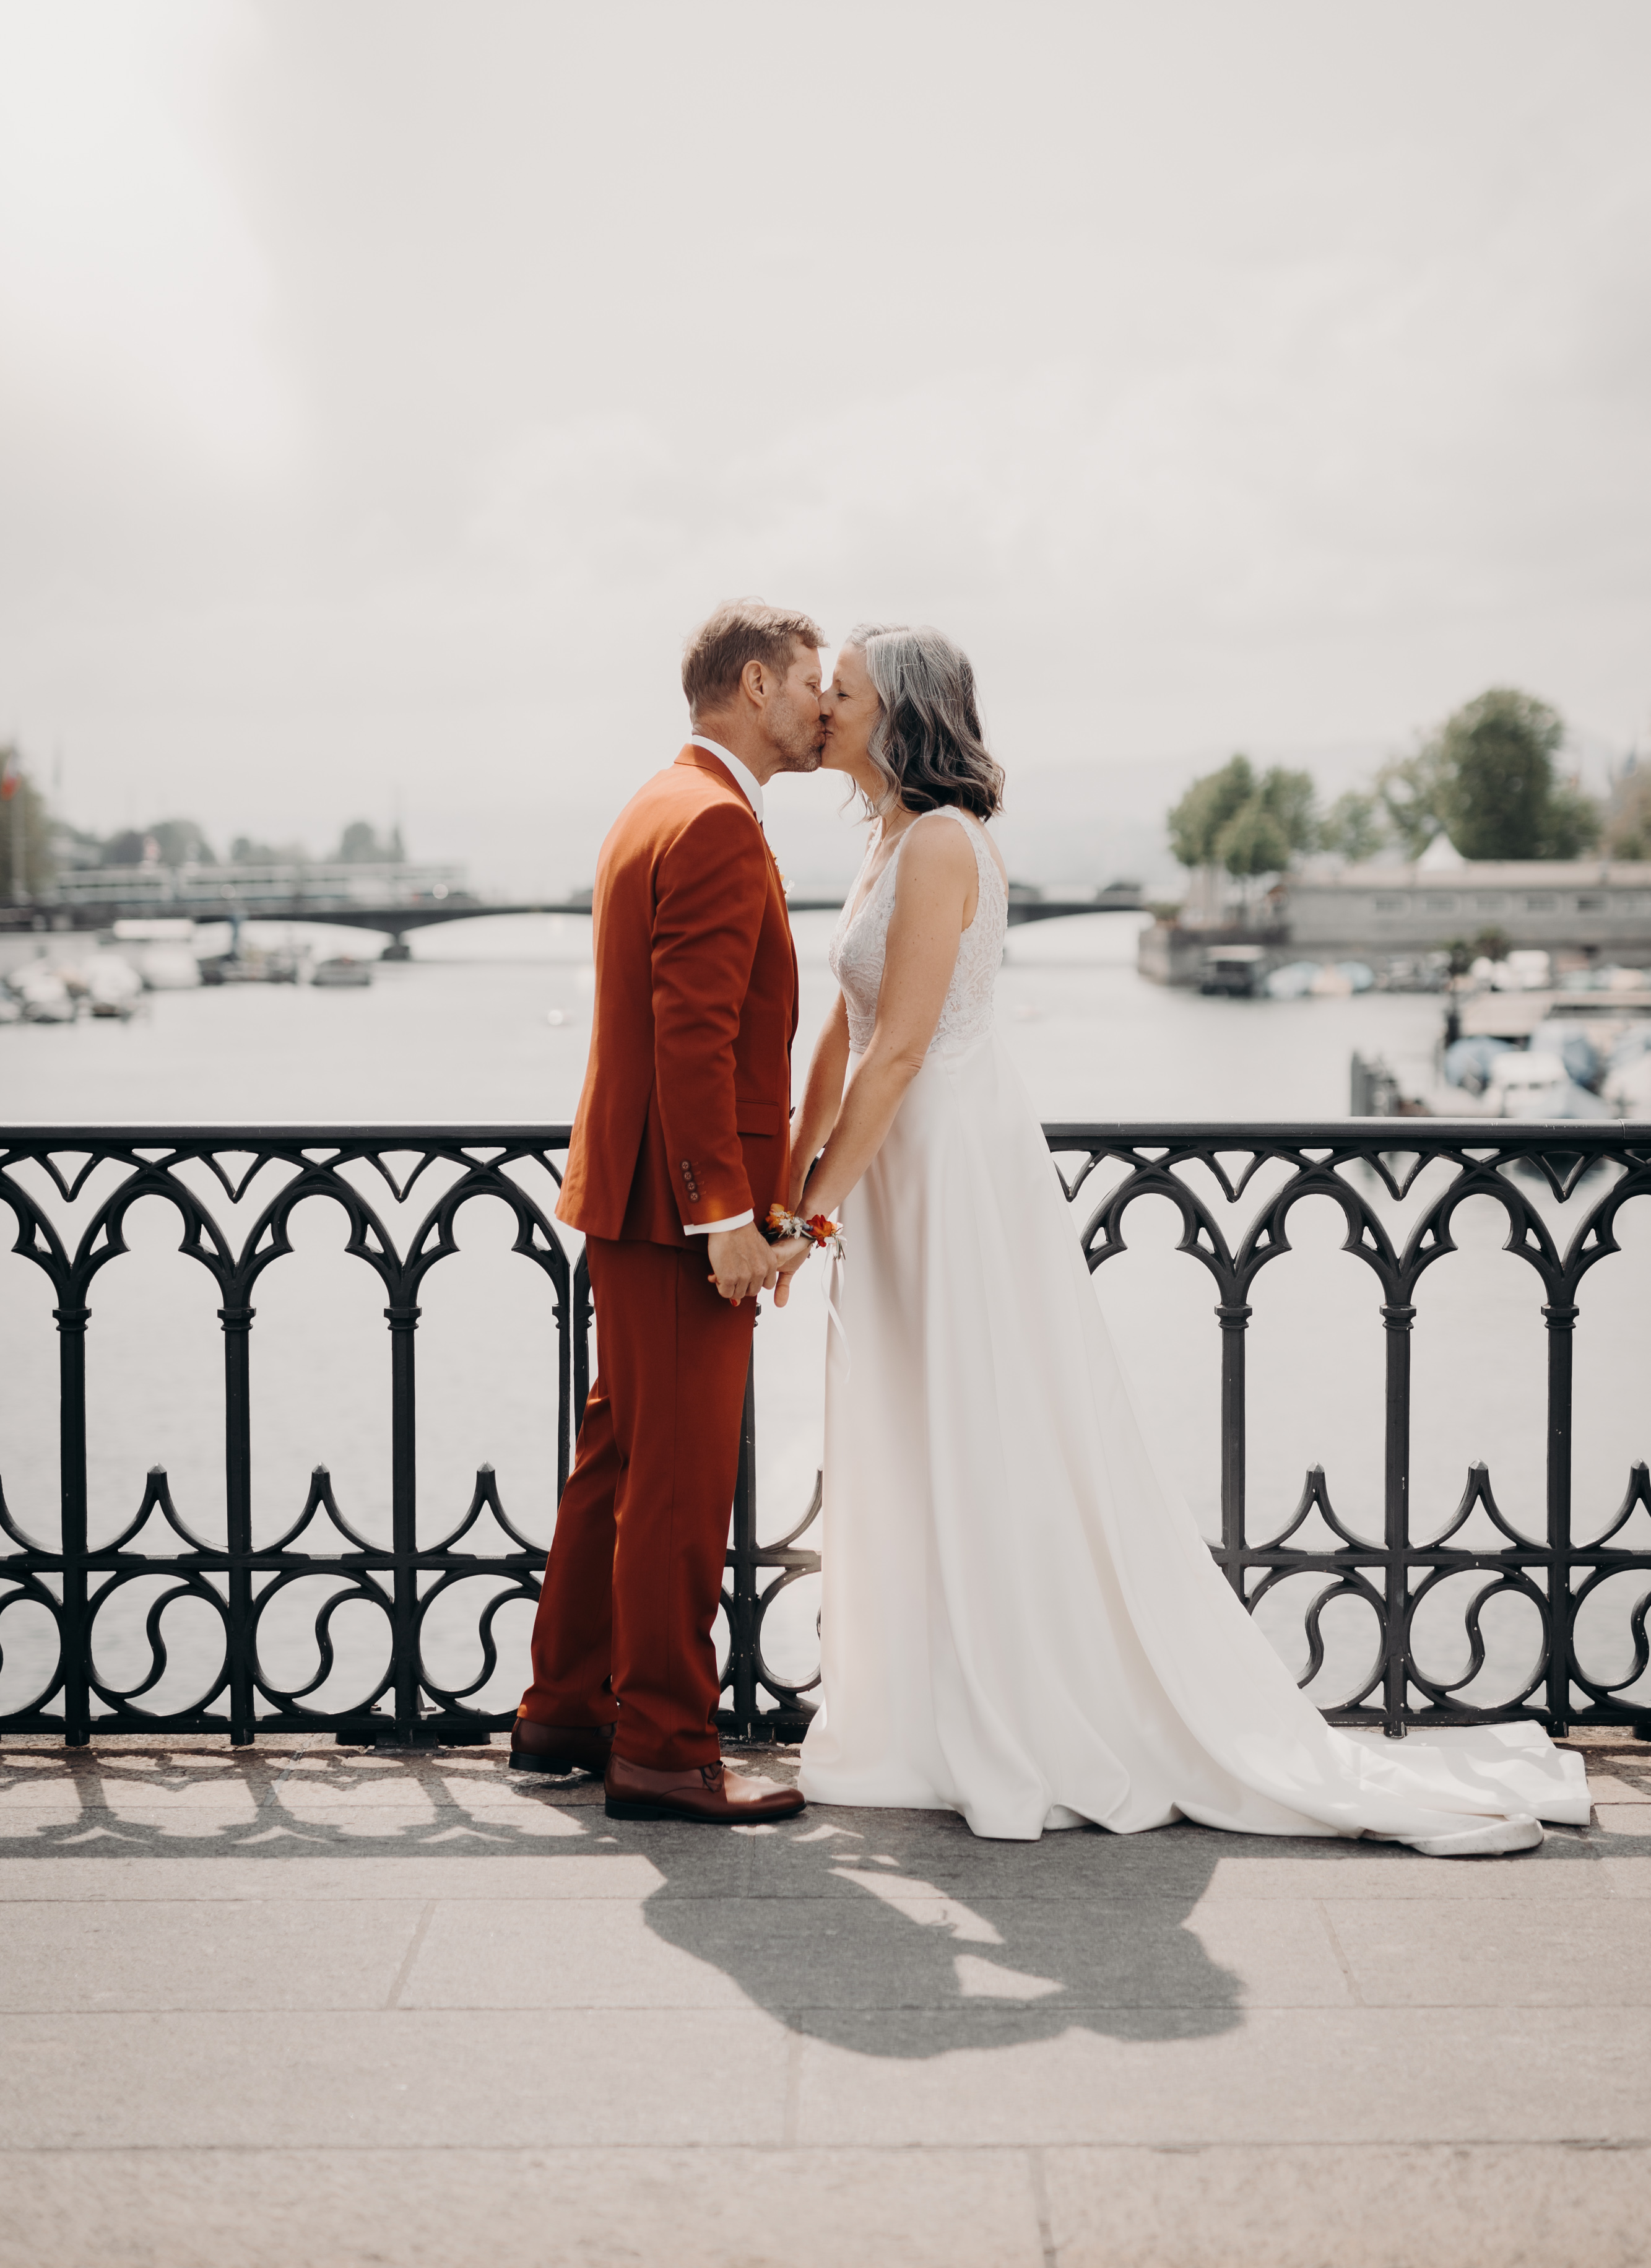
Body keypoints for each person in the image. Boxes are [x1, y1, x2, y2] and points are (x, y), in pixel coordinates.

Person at [789, 622, 1588, 1854]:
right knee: (913, 1414)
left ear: (897, 716)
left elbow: (897, 1047)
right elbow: (838, 1037)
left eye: (838, 694)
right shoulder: (887, 838)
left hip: (943, 1159)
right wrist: (801, 1180)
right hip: (894, 1164)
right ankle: (921, 1697)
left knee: (974, 1411)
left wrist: (812, 1205)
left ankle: (1006, 1704)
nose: (819, 709)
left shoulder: (942, 843)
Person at [511, 599, 820, 1826]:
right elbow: (692, 1038)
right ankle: (666, 1749)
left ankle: (564, 1711)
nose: (820, 703)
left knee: (620, 1461)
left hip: (627, 1196)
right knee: (680, 1489)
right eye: (807, 680)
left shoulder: (655, 801)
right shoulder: (715, 825)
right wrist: (724, 1215)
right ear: (752, 682)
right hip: (676, 1210)